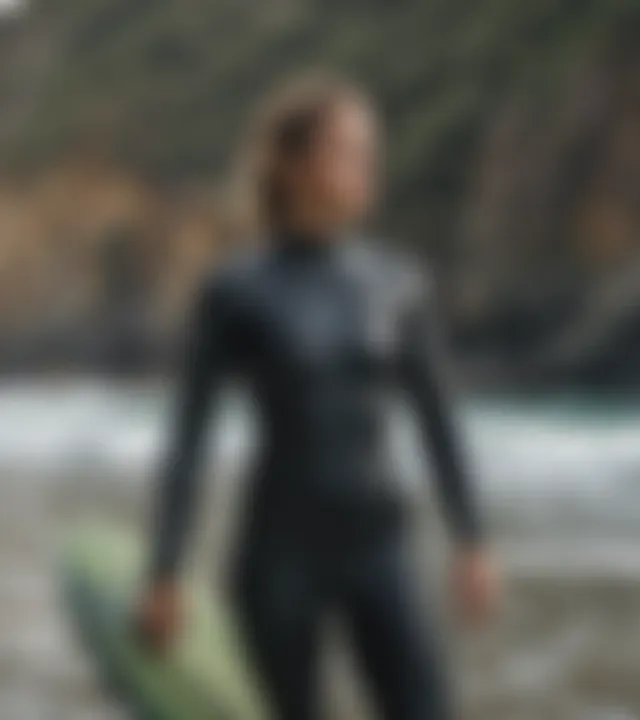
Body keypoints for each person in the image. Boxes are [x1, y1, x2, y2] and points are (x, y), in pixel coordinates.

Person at [137, 73, 500, 720]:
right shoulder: (237, 290)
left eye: (370, 153)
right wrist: (165, 571)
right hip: (281, 557)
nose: (367, 170)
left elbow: (438, 422)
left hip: (379, 545)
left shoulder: (399, 284)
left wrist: (470, 539)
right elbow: (189, 439)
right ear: (295, 164)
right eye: (348, 152)